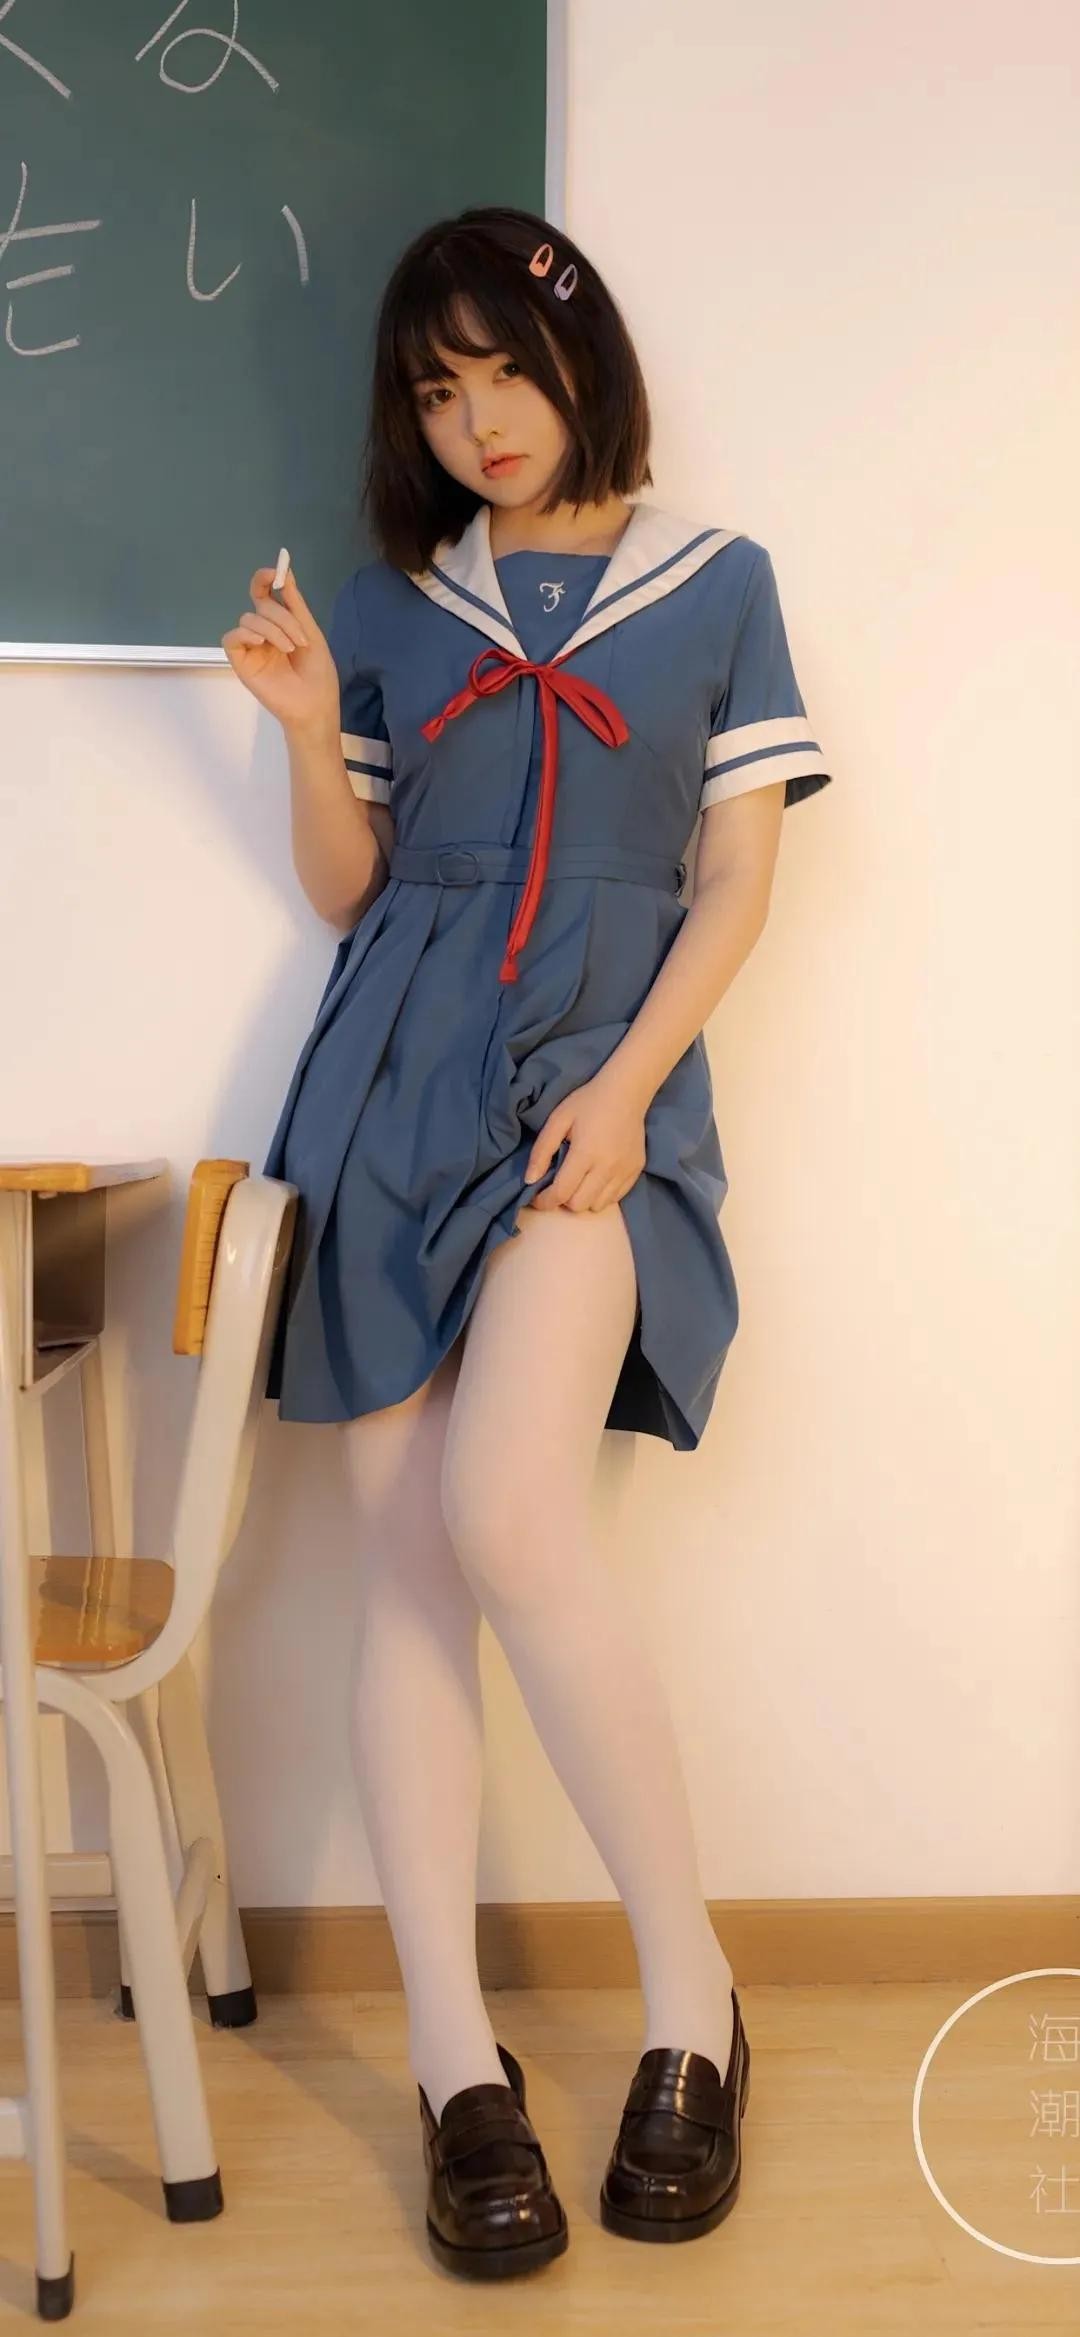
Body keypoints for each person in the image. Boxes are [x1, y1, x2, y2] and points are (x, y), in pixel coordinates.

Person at [222, 204, 832, 2280]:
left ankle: (691, 1998)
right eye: (436, 388)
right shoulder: (397, 605)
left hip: (593, 1099)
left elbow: (735, 879)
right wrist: (307, 724)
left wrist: (632, 1087)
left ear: (583, 365)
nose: (476, 418)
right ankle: (451, 2061)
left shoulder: (717, 583)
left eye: (504, 370)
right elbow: (348, 888)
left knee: (506, 1513)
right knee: (408, 1560)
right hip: (388, 1099)